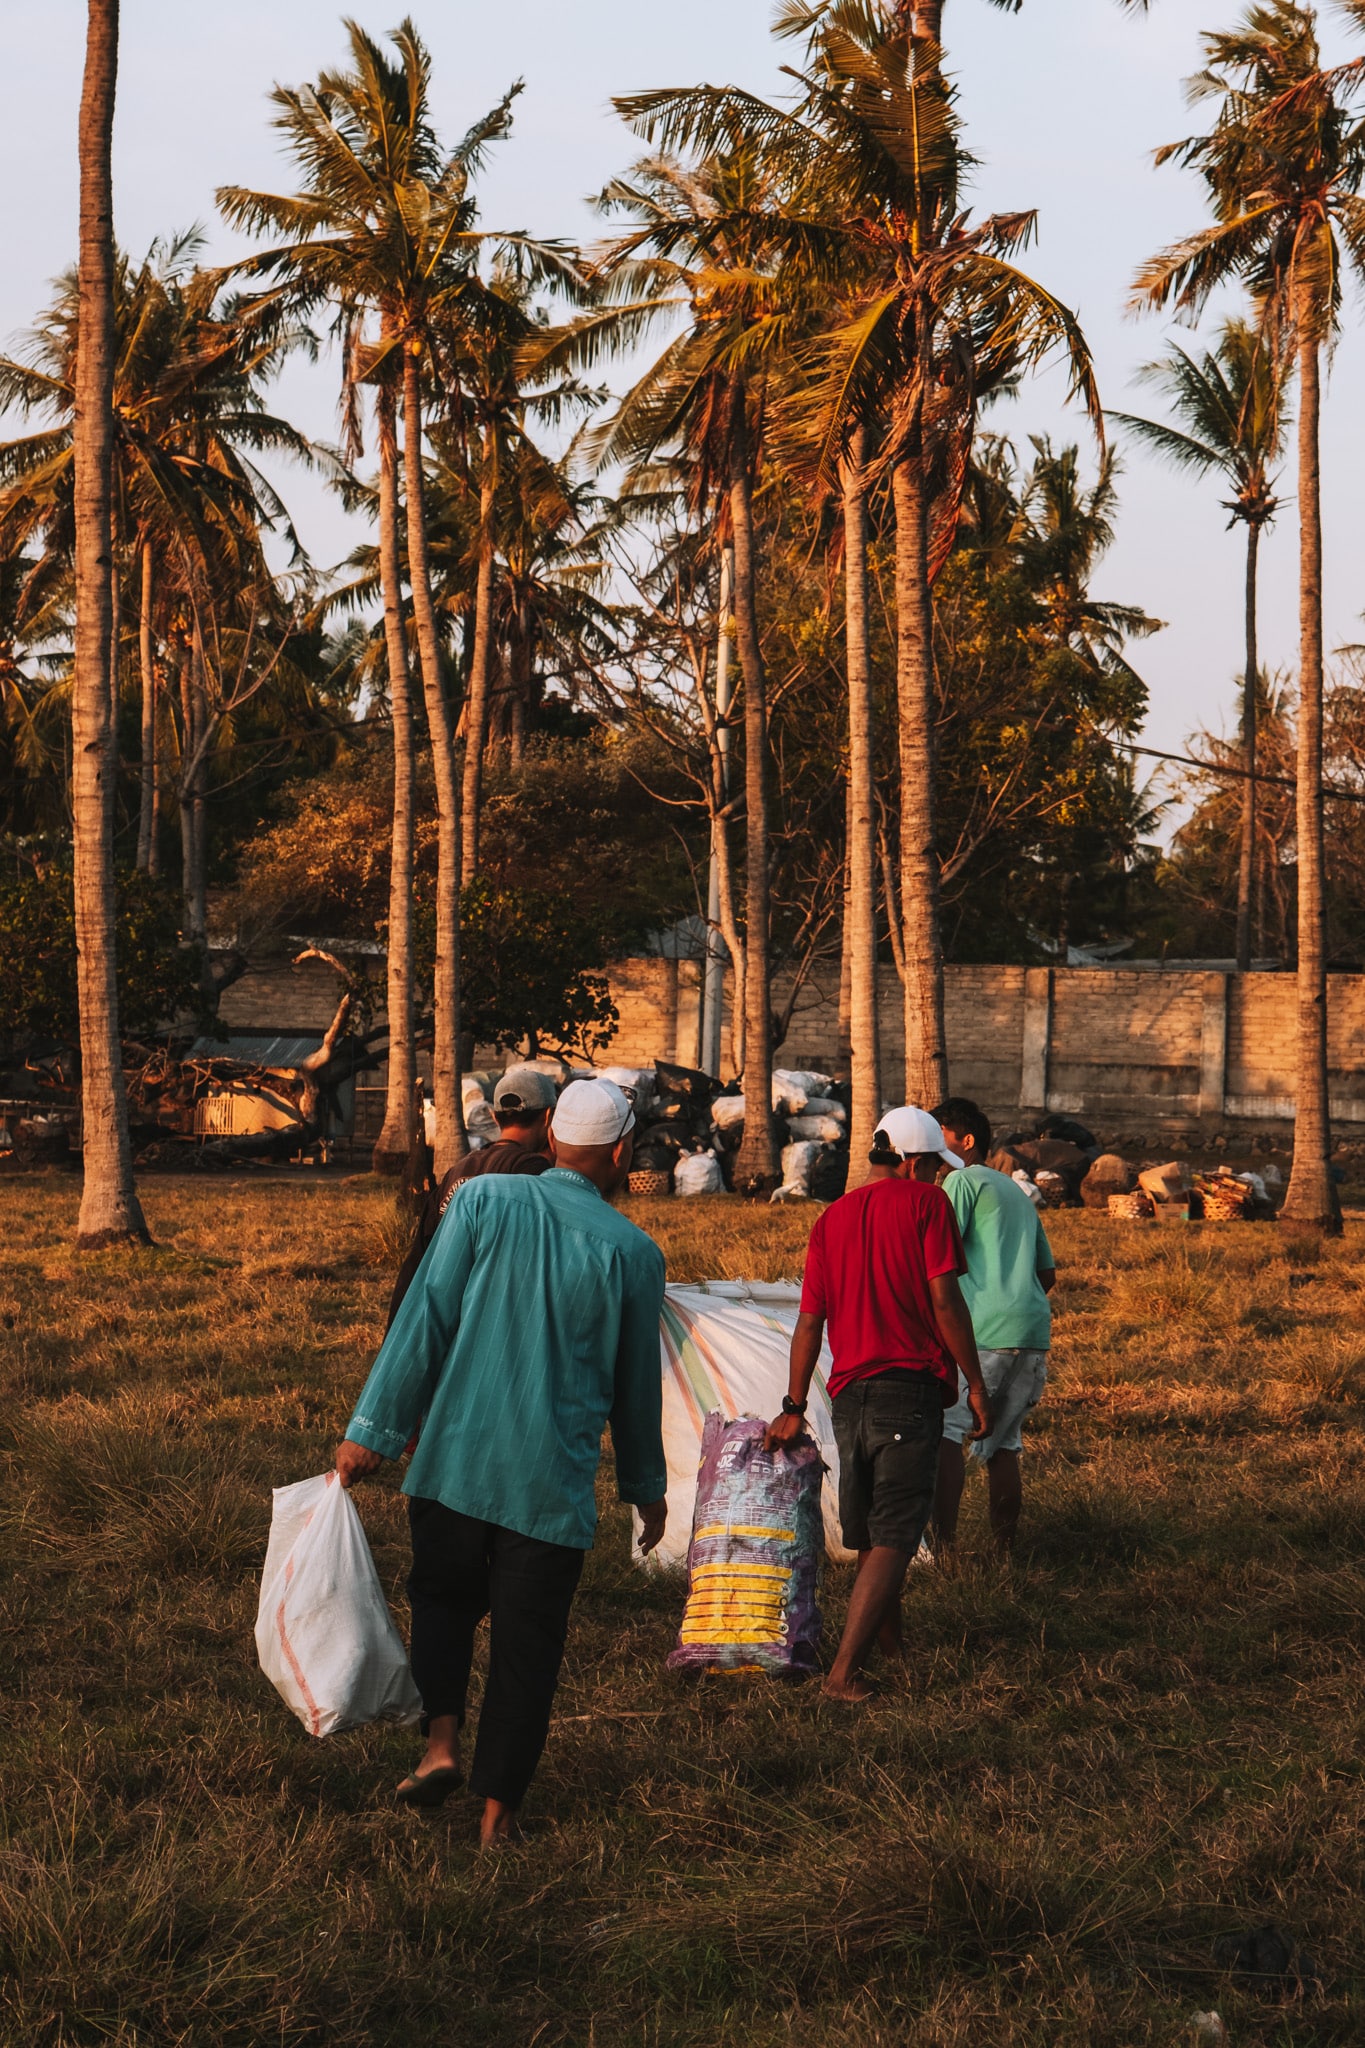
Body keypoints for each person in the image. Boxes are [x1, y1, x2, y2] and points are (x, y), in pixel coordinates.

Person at [335, 1077, 668, 1847]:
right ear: (620, 1153)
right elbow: (634, 1389)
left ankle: (441, 1744)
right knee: (528, 1646)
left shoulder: (482, 1203)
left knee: (443, 1604)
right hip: (547, 1487)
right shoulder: (634, 1253)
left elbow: (425, 1318)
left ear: (551, 1140)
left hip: (453, 1461)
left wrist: (371, 1432)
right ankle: (497, 1818)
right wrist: (645, 1487)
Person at [765, 1107, 991, 1703]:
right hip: (908, 1390)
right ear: (915, 1162)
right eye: (933, 1169)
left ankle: (895, 1651)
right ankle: (841, 1675)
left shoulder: (831, 1219)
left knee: (873, 1534)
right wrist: (975, 1381)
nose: (937, 1180)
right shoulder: (926, 1205)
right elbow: (946, 1303)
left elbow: (809, 1322)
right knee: (896, 1533)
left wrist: (792, 1404)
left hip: (848, 1398)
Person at [931, 1096, 1056, 1556]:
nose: (931, 1142)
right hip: (1030, 1333)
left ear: (966, 1141)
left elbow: (938, 1258)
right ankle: (1005, 1552)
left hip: (982, 1333)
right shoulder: (1015, 1193)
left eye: (938, 1132)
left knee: (946, 1429)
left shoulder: (960, 1182)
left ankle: (942, 1548)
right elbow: (1047, 1274)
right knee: (1004, 1445)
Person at [386, 1065, 559, 1327]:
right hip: (490, 1321)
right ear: (548, 1116)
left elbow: (419, 1257)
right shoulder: (534, 1172)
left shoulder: (459, 1169)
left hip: (442, 1315)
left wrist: (395, 1335)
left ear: (494, 1116)